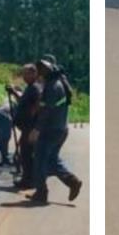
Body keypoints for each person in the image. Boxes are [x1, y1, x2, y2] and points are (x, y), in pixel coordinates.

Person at [28, 54, 82, 205]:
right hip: (60, 128)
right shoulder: (59, 82)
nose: (39, 73)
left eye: (40, 70)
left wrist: (36, 129)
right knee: (51, 160)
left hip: (50, 130)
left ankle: (41, 193)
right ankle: (72, 182)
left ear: (46, 70)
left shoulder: (52, 87)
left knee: (39, 160)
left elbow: (46, 111)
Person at [11, 63, 42, 189]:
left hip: (30, 127)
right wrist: (13, 92)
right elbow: (24, 102)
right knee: (24, 153)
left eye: (26, 74)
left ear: (34, 73)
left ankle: (28, 180)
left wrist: (32, 125)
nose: (24, 77)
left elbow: (37, 107)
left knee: (27, 154)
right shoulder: (30, 88)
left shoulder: (35, 88)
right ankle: (27, 178)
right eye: (23, 74)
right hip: (26, 127)